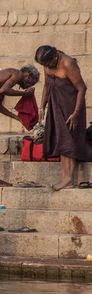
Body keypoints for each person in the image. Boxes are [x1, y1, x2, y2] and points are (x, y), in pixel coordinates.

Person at [35, 45, 92, 190]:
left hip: (71, 107)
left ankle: (68, 178)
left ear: (55, 57)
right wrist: (42, 106)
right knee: (60, 139)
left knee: (69, 141)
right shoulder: (47, 63)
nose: (47, 67)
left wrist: (76, 113)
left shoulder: (67, 63)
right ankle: (65, 178)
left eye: (48, 64)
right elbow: (47, 87)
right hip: (56, 106)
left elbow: (81, 88)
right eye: (44, 65)